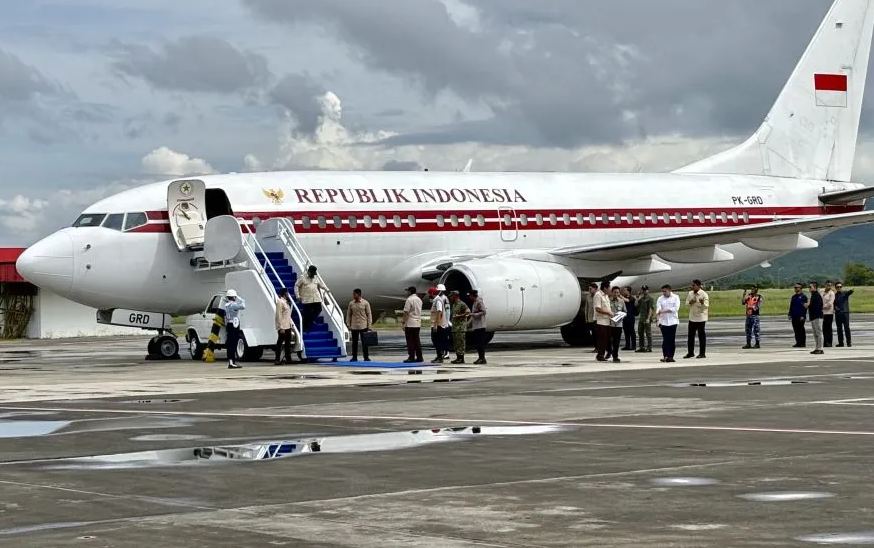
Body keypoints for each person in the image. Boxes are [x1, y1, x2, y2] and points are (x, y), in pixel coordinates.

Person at [295, 265, 327, 333]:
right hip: (307, 299)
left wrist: (326, 289)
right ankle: (305, 328)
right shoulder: (302, 278)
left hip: (316, 298)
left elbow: (320, 284)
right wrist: (297, 296)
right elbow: (296, 286)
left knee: (319, 309)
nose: (313, 275)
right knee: (307, 314)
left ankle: (311, 320)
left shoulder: (315, 277)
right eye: (312, 273)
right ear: (309, 272)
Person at [684, 279, 709, 359]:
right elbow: (686, 304)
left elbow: (706, 306)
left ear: (698, 286)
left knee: (701, 336)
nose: (692, 287)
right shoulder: (690, 293)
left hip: (701, 318)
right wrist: (691, 302)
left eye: (694, 285)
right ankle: (690, 352)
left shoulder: (704, 294)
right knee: (690, 336)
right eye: (692, 285)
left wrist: (702, 303)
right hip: (692, 317)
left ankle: (702, 353)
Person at [346, 288, 372, 362]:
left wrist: (369, 325)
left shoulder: (365, 303)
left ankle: (366, 357)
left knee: (365, 343)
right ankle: (354, 357)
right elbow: (349, 314)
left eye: (354, 294)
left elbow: (369, 314)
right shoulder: (351, 303)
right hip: (354, 326)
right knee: (354, 343)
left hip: (363, 325)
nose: (353, 295)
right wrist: (348, 324)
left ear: (359, 294)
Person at [223, 288, 246, 369]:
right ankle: (232, 362)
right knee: (233, 344)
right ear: (233, 297)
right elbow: (243, 305)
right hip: (234, 325)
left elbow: (225, 318)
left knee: (230, 344)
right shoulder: (233, 305)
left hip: (229, 324)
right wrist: (239, 297)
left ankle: (231, 361)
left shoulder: (226, 305)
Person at [656, 284, 680, 363]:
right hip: (663, 322)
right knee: (665, 339)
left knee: (671, 339)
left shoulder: (676, 297)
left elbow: (675, 308)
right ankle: (665, 355)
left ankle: (671, 356)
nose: (663, 293)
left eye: (665, 291)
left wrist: (664, 311)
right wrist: (658, 320)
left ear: (670, 290)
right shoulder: (660, 298)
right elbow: (658, 309)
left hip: (673, 321)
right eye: (662, 291)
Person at [402, 286, 424, 363]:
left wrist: (404, 322)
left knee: (410, 341)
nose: (407, 292)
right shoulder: (419, 300)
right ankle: (419, 357)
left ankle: (411, 356)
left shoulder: (409, 300)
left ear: (410, 292)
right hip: (417, 322)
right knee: (417, 341)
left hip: (410, 322)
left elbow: (406, 312)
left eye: (407, 291)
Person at [593, 280, 613, 362]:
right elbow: (598, 308)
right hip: (600, 321)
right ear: (605, 288)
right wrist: (608, 312)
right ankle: (600, 355)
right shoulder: (598, 295)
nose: (610, 289)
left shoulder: (606, 296)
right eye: (609, 287)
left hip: (607, 320)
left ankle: (609, 352)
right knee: (602, 339)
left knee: (608, 339)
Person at [429, 285, 450, 363]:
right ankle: (439, 356)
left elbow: (439, 312)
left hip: (439, 325)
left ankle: (440, 357)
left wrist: (436, 324)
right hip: (439, 324)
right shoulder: (437, 299)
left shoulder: (438, 300)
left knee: (438, 340)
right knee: (435, 340)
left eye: (429, 293)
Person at [449, 291, 470, 364]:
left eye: (452, 296)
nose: (451, 297)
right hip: (455, 327)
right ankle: (458, 357)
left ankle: (461, 358)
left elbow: (468, 312)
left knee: (461, 343)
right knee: (456, 343)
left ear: (455, 296)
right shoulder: (454, 304)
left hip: (460, 327)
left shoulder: (461, 304)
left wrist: (459, 316)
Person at [274, 288, 293, 365]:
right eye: (287, 293)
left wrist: (291, 323)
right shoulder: (280, 302)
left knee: (288, 343)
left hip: (287, 326)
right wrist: (280, 327)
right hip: (283, 326)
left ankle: (288, 359)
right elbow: (278, 315)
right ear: (284, 293)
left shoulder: (286, 302)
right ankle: (277, 359)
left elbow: (287, 314)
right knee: (280, 343)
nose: (288, 294)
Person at [468, 289, 488, 364]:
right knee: (477, 343)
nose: (469, 297)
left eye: (470, 296)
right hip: (476, 326)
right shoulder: (475, 303)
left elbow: (484, 311)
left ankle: (482, 358)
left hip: (480, 326)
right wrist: (468, 324)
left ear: (472, 295)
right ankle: (480, 358)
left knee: (480, 343)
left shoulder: (479, 302)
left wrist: (474, 315)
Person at [741, 284, 763, 349]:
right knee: (748, 330)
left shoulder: (759, 297)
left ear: (756, 289)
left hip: (755, 316)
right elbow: (743, 302)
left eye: (753, 289)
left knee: (756, 330)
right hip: (748, 315)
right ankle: (748, 343)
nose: (752, 290)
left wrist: (751, 307)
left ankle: (757, 343)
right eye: (751, 289)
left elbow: (757, 306)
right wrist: (744, 295)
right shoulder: (749, 296)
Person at [609, 286, 627, 363]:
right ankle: (610, 351)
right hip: (610, 324)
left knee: (616, 341)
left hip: (618, 324)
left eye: (617, 292)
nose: (616, 294)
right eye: (615, 292)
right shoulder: (607, 301)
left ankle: (615, 356)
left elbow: (625, 311)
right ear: (612, 292)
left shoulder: (621, 301)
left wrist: (621, 316)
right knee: (608, 341)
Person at [635, 285, 654, 353]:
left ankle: (649, 347)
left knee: (648, 333)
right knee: (640, 333)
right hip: (641, 317)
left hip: (646, 317)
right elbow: (636, 305)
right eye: (643, 290)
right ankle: (641, 347)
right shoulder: (642, 298)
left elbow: (650, 309)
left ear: (648, 290)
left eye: (645, 289)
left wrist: (648, 318)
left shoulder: (650, 298)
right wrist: (637, 297)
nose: (644, 291)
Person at [834, 281, 854, 347]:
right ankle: (841, 343)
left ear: (842, 287)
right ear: (835, 288)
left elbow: (850, 292)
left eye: (840, 287)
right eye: (838, 287)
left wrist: (851, 290)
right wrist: (835, 307)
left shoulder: (845, 293)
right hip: (838, 313)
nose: (839, 288)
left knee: (846, 328)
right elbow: (833, 304)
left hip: (845, 313)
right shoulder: (834, 295)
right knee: (839, 329)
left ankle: (848, 342)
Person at [806, 281, 824, 355]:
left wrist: (808, 306)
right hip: (813, 316)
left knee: (819, 333)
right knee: (815, 333)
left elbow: (817, 307)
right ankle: (817, 348)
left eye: (810, 287)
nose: (809, 288)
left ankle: (820, 348)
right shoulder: (813, 295)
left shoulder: (816, 295)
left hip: (817, 316)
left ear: (815, 288)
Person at [788, 282, 808, 348]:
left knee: (801, 330)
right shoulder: (793, 297)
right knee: (796, 330)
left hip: (801, 316)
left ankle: (802, 343)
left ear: (801, 288)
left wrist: (803, 315)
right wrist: (789, 314)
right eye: (795, 287)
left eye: (797, 287)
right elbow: (791, 306)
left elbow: (804, 308)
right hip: (794, 316)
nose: (796, 289)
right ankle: (798, 342)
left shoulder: (803, 297)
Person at [621, 286, 637, 351]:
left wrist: (620, 296)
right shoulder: (624, 297)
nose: (623, 291)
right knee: (626, 331)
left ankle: (633, 346)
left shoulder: (631, 297)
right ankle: (627, 345)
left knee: (632, 331)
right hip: (625, 317)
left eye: (625, 290)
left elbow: (627, 301)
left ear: (628, 291)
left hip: (630, 316)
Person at [585, 282, 598, 352]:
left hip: (598, 318)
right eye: (589, 289)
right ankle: (596, 347)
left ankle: (600, 347)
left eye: (591, 289)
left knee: (598, 334)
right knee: (593, 334)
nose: (589, 290)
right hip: (591, 318)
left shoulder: (599, 296)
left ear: (595, 289)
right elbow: (587, 308)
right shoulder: (588, 296)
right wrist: (586, 318)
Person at [822, 280, 835, 347]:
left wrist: (821, 307)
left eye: (830, 285)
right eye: (827, 285)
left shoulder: (832, 293)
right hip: (823, 313)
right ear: (825, 285)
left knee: (828, 328)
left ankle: (829, 342)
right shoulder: (822, 292)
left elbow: (830, 304)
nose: (829, 286)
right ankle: (825, 342)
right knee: (824, 329)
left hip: (829, 313)